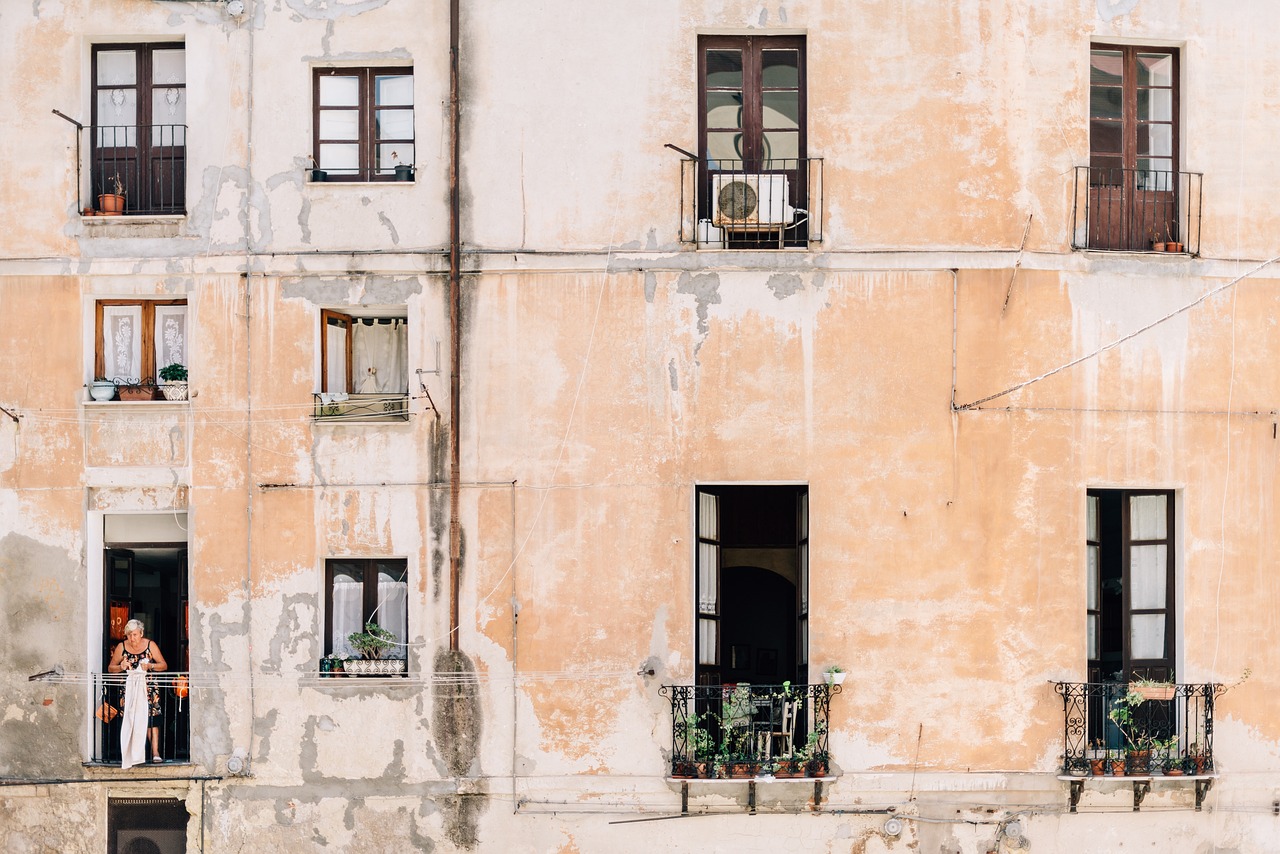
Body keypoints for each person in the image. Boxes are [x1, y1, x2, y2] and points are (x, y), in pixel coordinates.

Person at [108, 618, 168, 763]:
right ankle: (131, 755)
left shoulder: (149, 645)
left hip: (149, 689)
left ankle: (155, 752)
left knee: (151, 720)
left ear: (141, 633)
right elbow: (111, 669)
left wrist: (151, 667)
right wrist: (121, 667)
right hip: (129, 691)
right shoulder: (121, 647)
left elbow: (163, 665)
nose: (132, 638)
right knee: (131, 719)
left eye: (134, 634)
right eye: (129, 635)